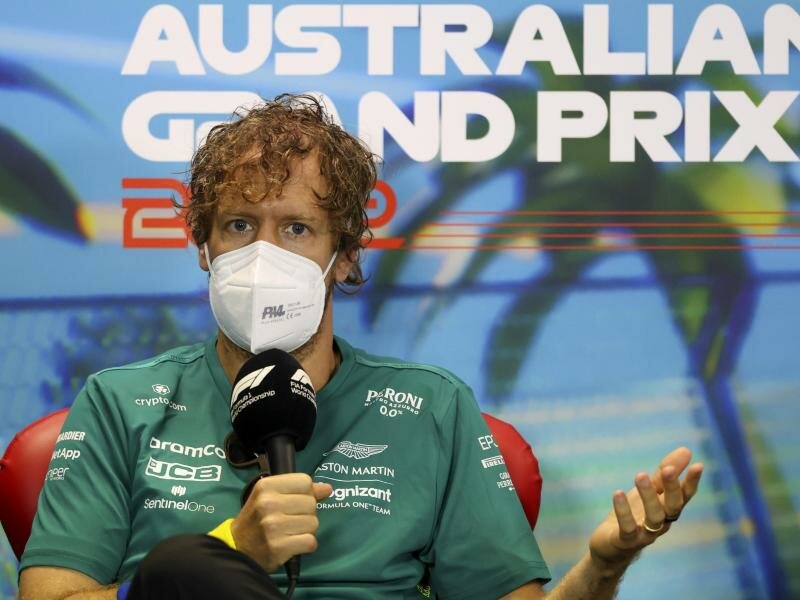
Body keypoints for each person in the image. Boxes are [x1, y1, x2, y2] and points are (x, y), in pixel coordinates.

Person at [18, 94, 703, 600]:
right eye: (237, 225)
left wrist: (604, 567)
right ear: (204, 247)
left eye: (295, 230)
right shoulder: (121, 402)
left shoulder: (432, 407)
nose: (261, 255)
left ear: (343, 256)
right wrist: (233, 550)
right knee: (179, 569)